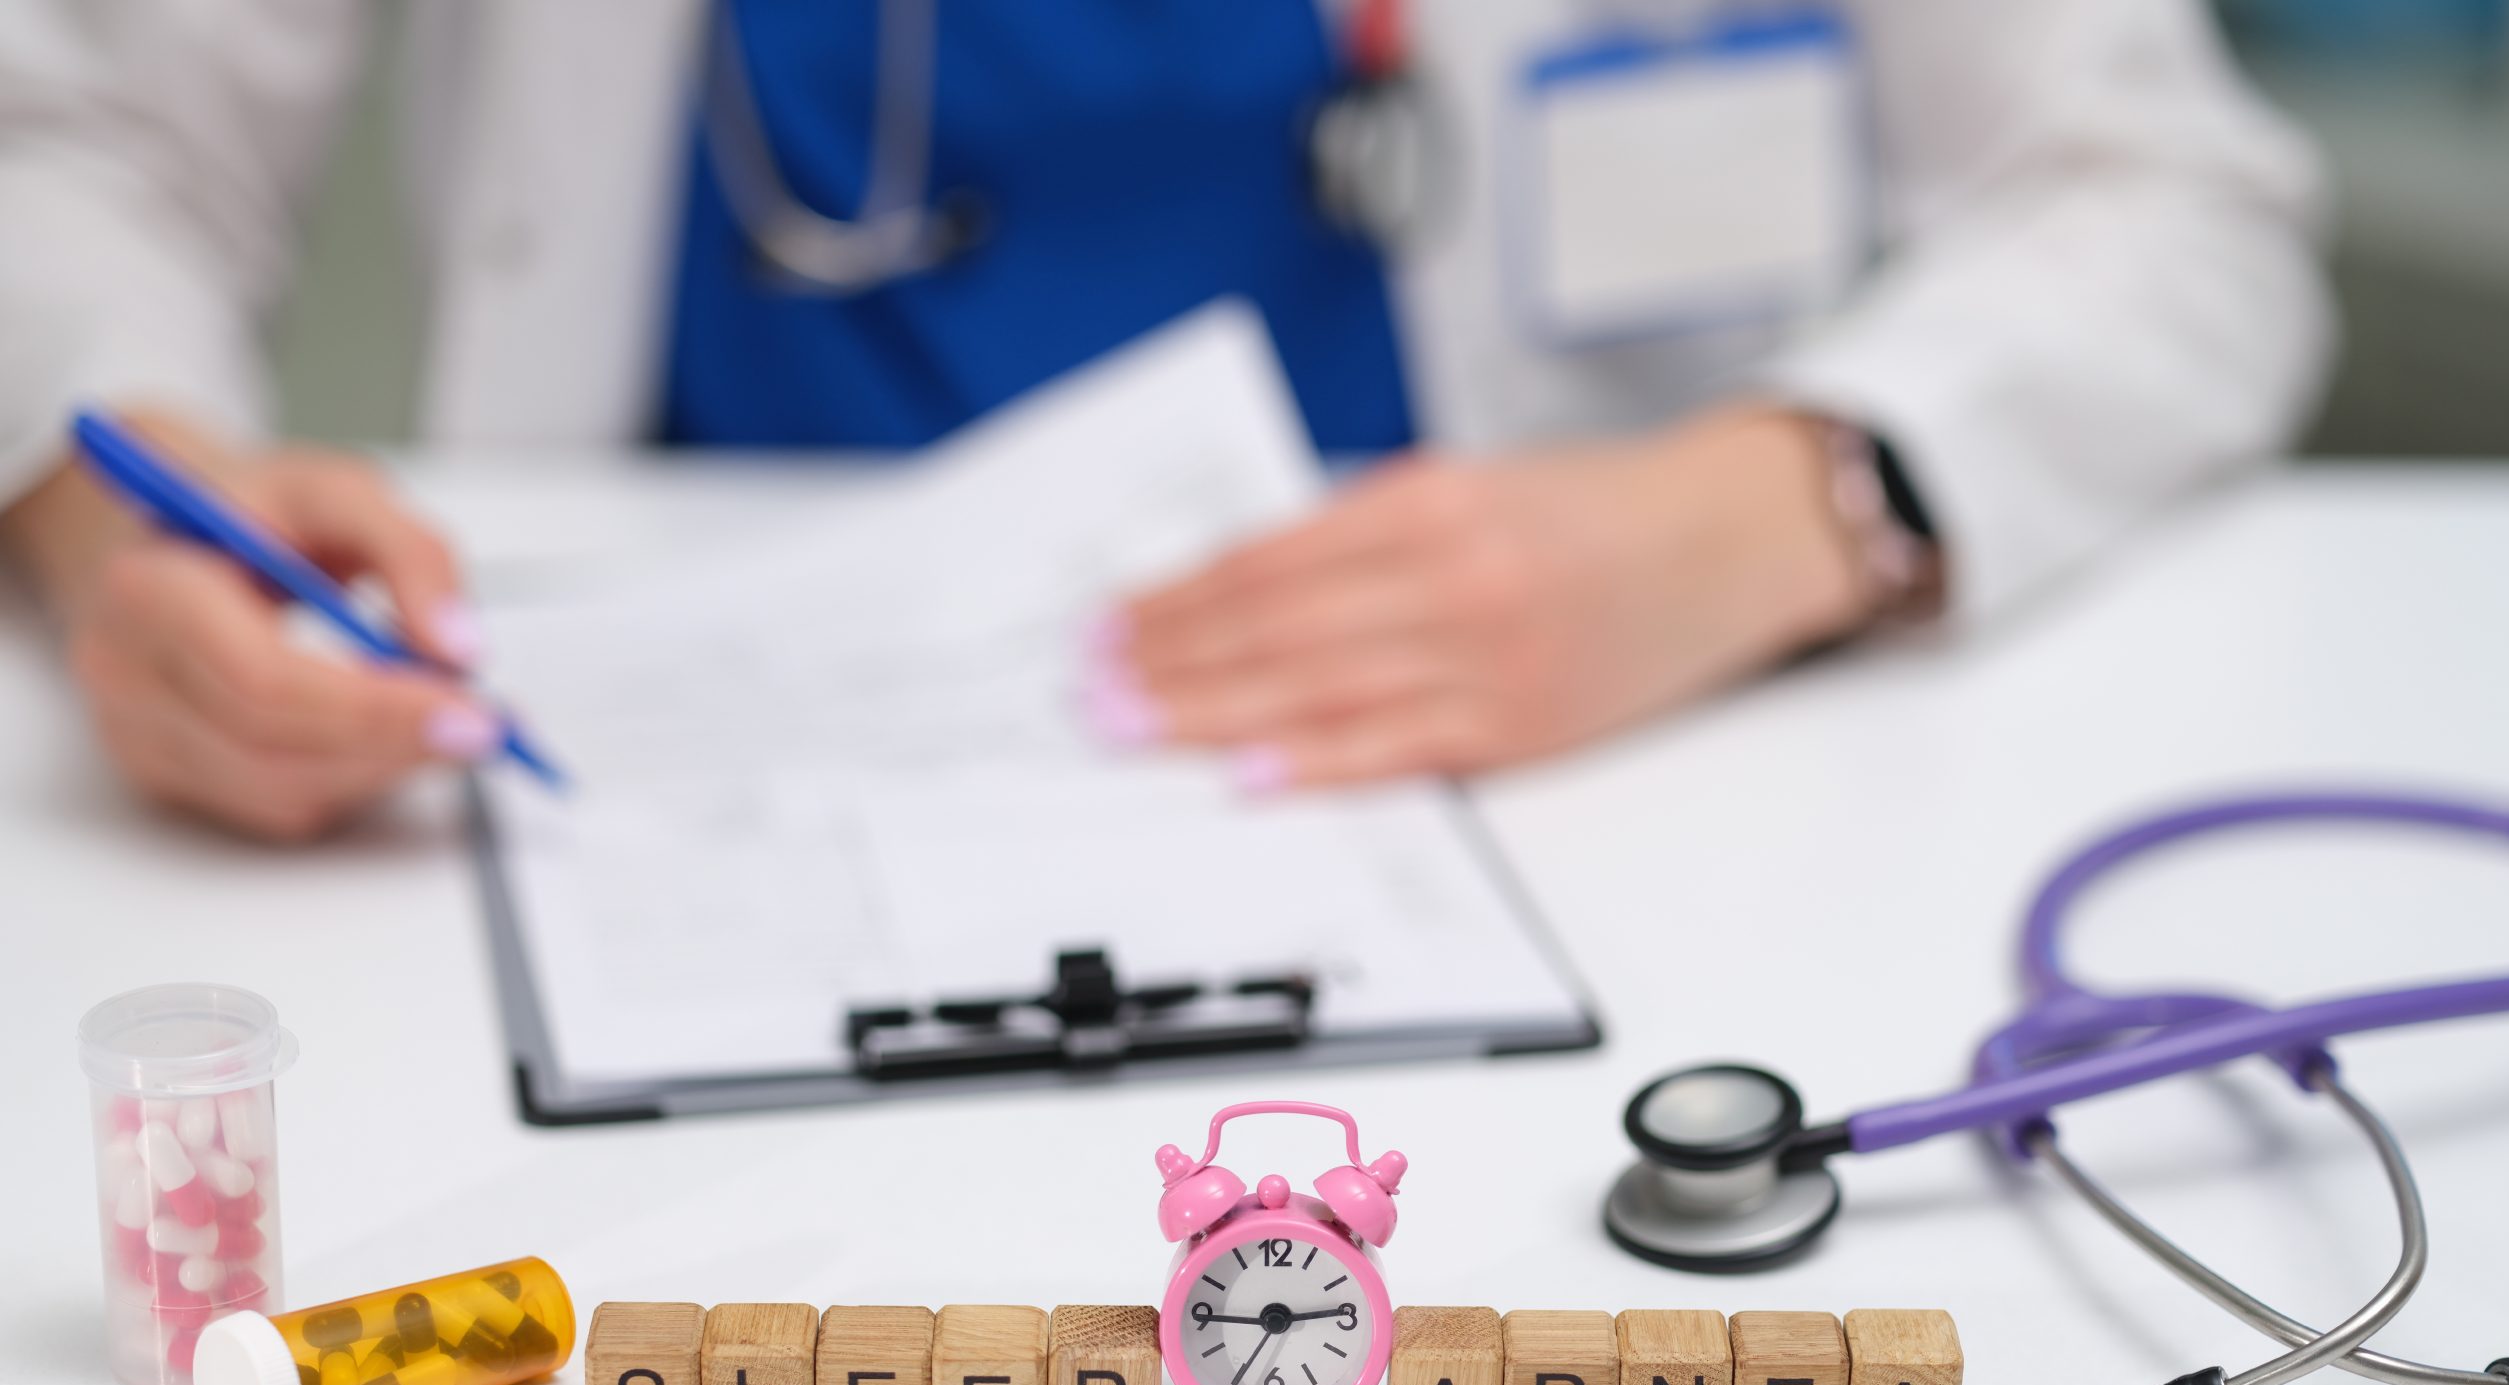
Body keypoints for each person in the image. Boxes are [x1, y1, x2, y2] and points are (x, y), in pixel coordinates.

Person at [0, 1, 2330, 840]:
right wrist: (124, 504)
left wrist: (1774, 506)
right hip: (655, 788)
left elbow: (2172, 206)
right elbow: (71, 146)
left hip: (1564, 795)